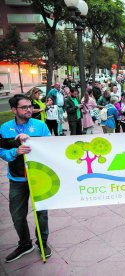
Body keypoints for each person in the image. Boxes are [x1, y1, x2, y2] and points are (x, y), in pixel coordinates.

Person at [0, 94, 52, 262]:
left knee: (42, 214)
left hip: (39, 177)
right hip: (17, 179)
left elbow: (51, 149)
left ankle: (42, 243)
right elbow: (2, 152)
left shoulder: (40, 126)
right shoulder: (5, 128)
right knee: (17, 214)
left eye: (30, 106)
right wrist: (15, 151)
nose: (29, 109)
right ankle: (25, 244)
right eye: (24, 107)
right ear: (14, 110)